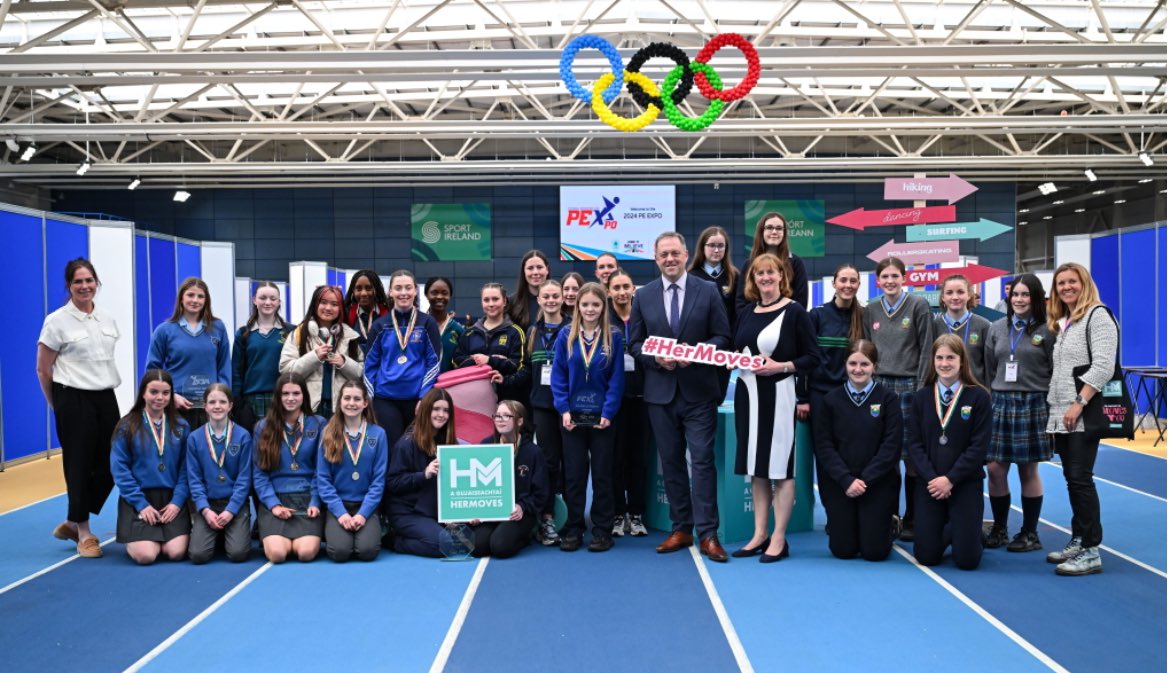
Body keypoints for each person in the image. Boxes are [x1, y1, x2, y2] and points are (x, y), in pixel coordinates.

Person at [629, 232, 732, 562]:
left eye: (675, 253)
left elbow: (722, 335)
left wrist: (701, 352)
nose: (670, 259)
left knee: (701, 463)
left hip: (699, 391)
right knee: (671, 463)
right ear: (655, 258)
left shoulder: (708, 290)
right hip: (660, 393)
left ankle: (709, 534)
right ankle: (681, 528)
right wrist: (655, 358)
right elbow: (635, 344)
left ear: (686, 254)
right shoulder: (643, 295)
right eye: (663, 254)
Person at [731, 253, 821, 563]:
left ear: (782, 276)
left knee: (780, 469)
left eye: (771, 272)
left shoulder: (795, 312)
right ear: (753, 280)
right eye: (760, 274)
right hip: (747, 397)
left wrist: (781, 366)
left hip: (779, 396)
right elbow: (735, 350)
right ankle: (759, 534)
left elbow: (813, 358)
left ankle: (779, 538)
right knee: (756, 469)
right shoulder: (746, 312)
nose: (766, 278)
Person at [37, 258, 121, 559]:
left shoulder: (108, 318)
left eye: (89, 281)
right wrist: (58, 404)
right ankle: (84, 532)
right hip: (72, 397)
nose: (85, 286)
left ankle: (73, 520)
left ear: (97, 283)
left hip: (105, 395)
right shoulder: (57, 321)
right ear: (69, 286)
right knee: (79, 465)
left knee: (115, 460)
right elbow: (43, 369)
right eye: (78, 282)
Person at [1045, 262, 1117, 576]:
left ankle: (1091, 550)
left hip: (1081, 412)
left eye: (1072, 281)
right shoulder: (1068, 321)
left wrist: (1078, 403)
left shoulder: (1098, 316)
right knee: (1073, 479)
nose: (1066, 287)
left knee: (1081, 478)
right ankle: (1078, 538)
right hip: (1062, 412)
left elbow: (1103, 367)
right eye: (1061, 283)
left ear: (1084, 283)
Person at [906, 334, 991, 571]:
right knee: (926, 556)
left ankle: (971, 532)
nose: (945, 363)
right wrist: (934, 479)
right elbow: (914, 444)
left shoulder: (979, 396)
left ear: (962, 361)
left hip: (964, 483)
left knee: (967, 561)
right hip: (930, 484)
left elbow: (978, 447)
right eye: (940, 358)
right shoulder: (922, 398)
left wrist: (951, 479)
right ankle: (961, 528)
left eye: (950, 358)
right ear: (933, 361)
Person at [813, 340, 903, 561]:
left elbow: (891, 447)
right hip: (841, 485)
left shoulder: (888, 399)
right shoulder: (830, 400)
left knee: (874, 552)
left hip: (876, 483)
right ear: (845, 364)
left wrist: (865, 480)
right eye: (853, 363)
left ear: (875, 366)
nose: (858, 369)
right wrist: (846, 481)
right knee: (843, 550)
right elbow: (824, 446)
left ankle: (887, 524)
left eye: (865, 364)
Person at [863, 257, 933, 540]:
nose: (890, 281)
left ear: (904, 278)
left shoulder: (918, 306)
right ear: (878, 280)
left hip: (908, 386)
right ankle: (888, 514)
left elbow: (927, 348)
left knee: (912, 455)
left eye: (895, 276)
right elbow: (868, 348)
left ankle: (913, 517)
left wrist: (919, 389)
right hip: (879, 386)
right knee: (885, 456)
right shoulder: (870, 308)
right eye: (885, 277)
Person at [983, 274, 1054, 552]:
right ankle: (1000, 528)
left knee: (1028, 469)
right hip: (1000, 402)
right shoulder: (997, 328)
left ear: (1036, 298)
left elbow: (1054, 369)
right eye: (1015, 295)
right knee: (995, 468)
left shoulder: (1048, 330)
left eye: (1025, 295)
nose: (1020, 300)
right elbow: (990, 367)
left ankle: (1030, 533)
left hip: (1033, 403)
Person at [552, 282, 624, 552]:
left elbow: (617, 379)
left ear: (603, 307)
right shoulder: (565, 336)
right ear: (577, 306)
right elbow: (559, 376)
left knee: (603, 474)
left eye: (596, 304)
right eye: (585, 304)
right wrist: (564, 410)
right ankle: (574, 528)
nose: (590, 309)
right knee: (574, 475)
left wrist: (608, 412)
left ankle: (603, 530)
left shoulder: (613, 336)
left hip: (603, 418)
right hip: (572, 418)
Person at [110, 370, 191, 565]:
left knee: (175, 553)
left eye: (165, 393)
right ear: (143, 393)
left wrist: (177, 502)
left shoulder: (181, 425)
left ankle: (160, 535)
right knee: (146, 556)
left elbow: (186, 469)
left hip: (171, 500)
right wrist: (141, 504)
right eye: (154, 392)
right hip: (140, 499)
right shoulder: (127, 426)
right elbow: (120, 469)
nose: (160, 398)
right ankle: (135, 535)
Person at [253, 373, 325, 563]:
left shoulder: (318, 424)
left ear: (304, 396)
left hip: (308, 499)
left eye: (296, 393)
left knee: (305, 553)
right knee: (277, 555)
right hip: (276, 499)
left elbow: (322, 470)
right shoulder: (263, 427)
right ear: (278, 396)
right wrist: (273, 505)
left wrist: (316, 502)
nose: (291, 398)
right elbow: (259, 474)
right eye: (285, 394)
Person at [364, 269, 441, 443]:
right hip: (385, 400)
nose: (403, 293)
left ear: (415, 290)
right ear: (390, 292)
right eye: (398, 288)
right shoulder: (380, 325)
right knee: (391, 448)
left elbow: (434, 363)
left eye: (408, 288)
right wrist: (370, 398)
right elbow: (370, 365)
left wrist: (424, 397)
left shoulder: (427, 323)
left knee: (416, 447)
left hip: (417, 400)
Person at [317, 380, 388, 562]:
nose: (351, 403)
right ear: (339, 401)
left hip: (366, 505)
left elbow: (378, 481)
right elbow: (323, 480)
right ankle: (334, 527)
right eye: (346, 398)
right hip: (338, 505)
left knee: (367, 551)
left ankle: (367, 526)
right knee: (339, 552)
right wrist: (340, 514)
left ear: (365, 403)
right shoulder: (328, 432)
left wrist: (363, 515)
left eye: (357, 399)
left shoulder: (378, 434)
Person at [146, 277, 231, 428]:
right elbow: (152, 371)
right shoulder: (164, 330)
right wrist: (170, 397)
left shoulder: (218, 328)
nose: (195, 300)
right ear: (181, 298)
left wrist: (221, 397)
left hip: (210, 407)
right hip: (177, 407)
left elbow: (224, 366)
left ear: (206, 300)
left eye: (200, 296)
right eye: (190, 295)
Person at [469, 400, 549, 558]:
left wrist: (522, 506)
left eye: (506, 416)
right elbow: (475, 485)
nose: (500, 419)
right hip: (491, 511)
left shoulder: (533, 452)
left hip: (518, 513)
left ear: (519, 421)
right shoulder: (485, 446)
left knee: (500, 547)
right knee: (477, 547)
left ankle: (526, 537)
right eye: (497, 416)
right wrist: (475, 510)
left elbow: (541, 493)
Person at [185, 384, 253, 564]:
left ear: (230, 405)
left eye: (222, 402)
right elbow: (194, 479)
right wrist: (205, 510)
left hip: (234, 506)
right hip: (208, 505)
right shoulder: (194, 438)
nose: (217, 406)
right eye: (212, 402)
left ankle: (228, 532)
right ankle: (216, 532)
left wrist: (231, 510)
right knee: (198, 556)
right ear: (205, 406)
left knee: (238, 554)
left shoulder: (243, 436)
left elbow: (244, 479)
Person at [386, 388, 456, 558]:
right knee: (445, 545)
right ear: (425, 411)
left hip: (432, 511)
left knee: (465, 541)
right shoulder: (406, 443)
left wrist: (454, 513)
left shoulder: (448, 442)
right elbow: (392, 483)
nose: (441, 414)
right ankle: (394, 541)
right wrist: (423, 474)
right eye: (436, 409)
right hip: (407, 512)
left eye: (446, 410)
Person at [279, 285, 363, 419]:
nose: (328, 308)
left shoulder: (350, 336)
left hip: (341, 408)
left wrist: (344, 363)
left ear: (340, 308)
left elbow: (362, 374)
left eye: (334, 304)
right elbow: (286, 371)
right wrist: (314, 357)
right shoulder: (299, 334)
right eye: (323, 302)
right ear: (315, 304)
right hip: (309, 407)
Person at [607, 268, 648, 537]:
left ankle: (636, 514)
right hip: (613, 400)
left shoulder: (643, 317)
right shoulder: (603, 319)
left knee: (639, 459)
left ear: (633, 289)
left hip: (643, 398)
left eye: (626, 286)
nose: (622, 292)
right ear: (608, 291)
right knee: (614, 459)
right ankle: (617, 513)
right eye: (616, 287)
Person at [526, 279, 567, 545]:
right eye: (546, 296)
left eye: (555, 296)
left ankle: (575, 518)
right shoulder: (532, 331)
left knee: (574, 463)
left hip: (571, 406)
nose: (551, 300)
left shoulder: (572, 327)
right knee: (550, 462)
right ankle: (549, 516)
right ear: (539, 300)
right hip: (542, 405)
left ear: (563, 298)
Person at [799, 263, 865, 424]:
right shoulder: (817, 315)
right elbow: (804, 357)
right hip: (820, 395)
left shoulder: (864, 316)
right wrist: (802, 398)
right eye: (843, 280)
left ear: (858, 285)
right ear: (834, 283)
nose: (848, 285)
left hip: (853, 394)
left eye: (853, 281)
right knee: (823, 446)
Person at [453, 283, 528, 406]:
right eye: (486, 300)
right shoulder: (469, 332)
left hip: (506, 401)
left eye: (495, 299)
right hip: (473, 399)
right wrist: (478, 360)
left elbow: (518, 366)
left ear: (504, 301)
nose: (491, 304)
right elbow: (456, 361)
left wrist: (490, 360)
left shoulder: (516, 332)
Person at [689, 226, 741, 397]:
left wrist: (734, 347)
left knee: (717, 397)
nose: (716, 250)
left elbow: (737, 315)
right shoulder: (690, 276)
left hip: (723, 350)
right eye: (712, 245)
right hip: (696, 350)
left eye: (721, 245)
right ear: (702, 247)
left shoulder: (735, 277)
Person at [231, 282, 292, 427]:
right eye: (263, 298)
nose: (268, 302)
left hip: (282, 397)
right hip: (251, 401)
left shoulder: (290, 331)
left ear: (279, 302)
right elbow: (236, 373)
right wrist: (238, 404)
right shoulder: (243, 334)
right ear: (254, 300)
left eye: (273, 298)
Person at [738, 212, 808, 310]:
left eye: (779, 228)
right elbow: (741, 302)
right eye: (769, 227)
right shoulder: (749, 264)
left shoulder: (796, 263)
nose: (774, 232)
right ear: (761, 231)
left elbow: (801, 301)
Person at [934, 275, 991, 385]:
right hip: (943, 390)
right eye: (949, 292)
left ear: (969, 295)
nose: (955, 297)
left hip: (975, 390)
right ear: (943, 297)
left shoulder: (983, 325)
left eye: (960, 292)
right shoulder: (934, 326)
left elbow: (989, 365)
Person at [343, 270, 390, 354]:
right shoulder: (346, 315)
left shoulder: (389, 314)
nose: (364, 293)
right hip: (355, 366)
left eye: (368, 288)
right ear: (353, 291)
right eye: (358, 289)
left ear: (376, 289)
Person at [424, 276, 465, 372]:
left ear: (450, 296)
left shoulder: (458, 330)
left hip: (448, 386)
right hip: (421, 385)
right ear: (426, 295)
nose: (439, 297)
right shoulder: (416, 326)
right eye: (434, 293)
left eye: (444, 293)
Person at [509, 250, 551, 330]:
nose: (535, 272)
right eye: (530, 268)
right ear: (524, 271)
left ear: (547, 269)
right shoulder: (511, 303)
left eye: (539, 267)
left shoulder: (559, 301)